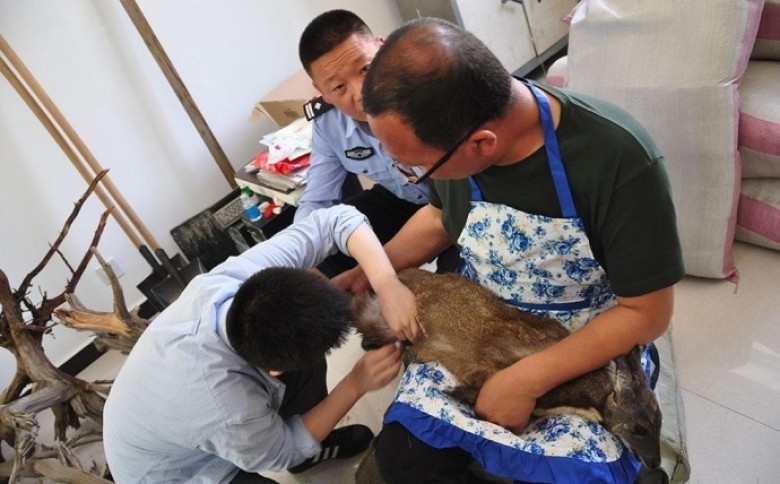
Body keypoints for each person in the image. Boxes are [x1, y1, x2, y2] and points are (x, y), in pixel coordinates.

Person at [337, 17, 685, 484]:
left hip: (587, 345)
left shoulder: (618, 160)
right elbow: (440, 217)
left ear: (483, 144)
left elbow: (646, 312)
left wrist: (523, 381)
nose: (412, 178)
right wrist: (372, 270)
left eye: (418, 167)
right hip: (478, 326)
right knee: (407, 464)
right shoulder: (457, 137)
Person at [102, 205, 414, 483]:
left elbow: (337, 220)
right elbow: (282, 452)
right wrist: (356, 383)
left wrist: (387, 284)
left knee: (307, 359)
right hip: (170, 472)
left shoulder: (242, 277)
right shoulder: (226, 406)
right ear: (274, 371)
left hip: (165, 412)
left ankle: (312, 453)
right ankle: (305, 449)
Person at [296, 9, 460, 277]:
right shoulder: (328, 123)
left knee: (457, 282)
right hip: (403, 198)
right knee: (328, 242)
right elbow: (317, 200)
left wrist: (371, 273)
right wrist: (297, 252)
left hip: (463, 197)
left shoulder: (427, 84)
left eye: (365, 69)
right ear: (322, 92)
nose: (361, 93)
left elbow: (449, 211)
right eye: (338, 87)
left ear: (383, 49)